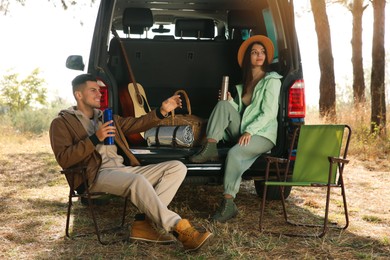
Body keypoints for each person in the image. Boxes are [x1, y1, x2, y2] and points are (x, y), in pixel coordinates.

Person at [49, 74, 213, 251]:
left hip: (120, 170)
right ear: (78, 95)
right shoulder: (62, 123)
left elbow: (137, 124)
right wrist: (96, 138)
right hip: (93, 176)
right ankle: (181, 229)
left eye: (100, 90)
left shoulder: (106, 117)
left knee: (177, 167)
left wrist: (162, 111)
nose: (99, 94)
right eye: (93, 90)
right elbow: (64, 158)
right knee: (137, 181)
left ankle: (143, 224)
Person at [189, 35, 282, 222]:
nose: (259, 55)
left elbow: (268, 113)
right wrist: (231, 101)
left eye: (262, 52)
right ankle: (211, 146)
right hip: (245, 129)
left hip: (262, 134)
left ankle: (229, 204)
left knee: (234, 153)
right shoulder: (245, 84)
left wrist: (250, 132)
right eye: (255, 52)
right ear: (248, 57)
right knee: (223, 104)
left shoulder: (272, 80)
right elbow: (243, 112)